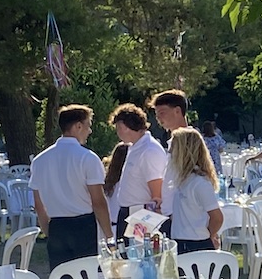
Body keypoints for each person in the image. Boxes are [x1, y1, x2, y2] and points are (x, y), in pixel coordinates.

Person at [33, 105, 112, 269]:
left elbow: (39, 205)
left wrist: (49, 232)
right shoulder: (87, 158)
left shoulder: (40, 160)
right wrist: (109, 236)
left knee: (61, 277)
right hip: (83, 226)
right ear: (78, 126)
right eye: (88, 125)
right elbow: (98, 201)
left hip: (57, 225)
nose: (89, 131)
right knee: (87, 276)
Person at [107, 103, 167, 238]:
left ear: (125, 127)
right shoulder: (135, 147)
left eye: (118, 128)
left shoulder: (149, 150)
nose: (118, 133)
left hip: (140, 213)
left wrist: (148, 226)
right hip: (129, 212)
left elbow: (157, 194)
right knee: (126, 250)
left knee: (136, 250)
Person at [165, 128, 224, 252]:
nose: (170, 152)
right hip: (180, 241)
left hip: (196, 243)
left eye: (174, 148)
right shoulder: (182, 180)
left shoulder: (199, 183)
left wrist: (208, 234)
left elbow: (217, 217)